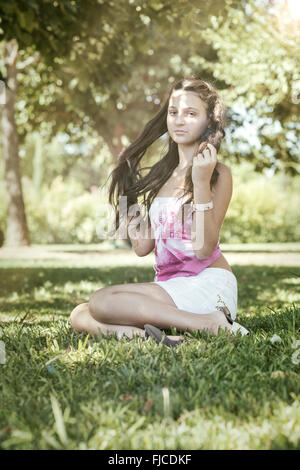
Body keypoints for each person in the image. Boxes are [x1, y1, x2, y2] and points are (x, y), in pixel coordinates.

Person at [69, 75, 249, 347]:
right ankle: (157, 339)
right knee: (80, 314)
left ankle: (210, 323)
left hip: (208, 285)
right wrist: (126, 197)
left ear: (208, 122)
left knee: (101, 301)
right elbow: (143, 247)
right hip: (170, 291)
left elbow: (203, 248)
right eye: (173, 112)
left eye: (191, 113)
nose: (178, 120)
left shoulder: (218, 174)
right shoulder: (162, 174)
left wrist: (200, 181)